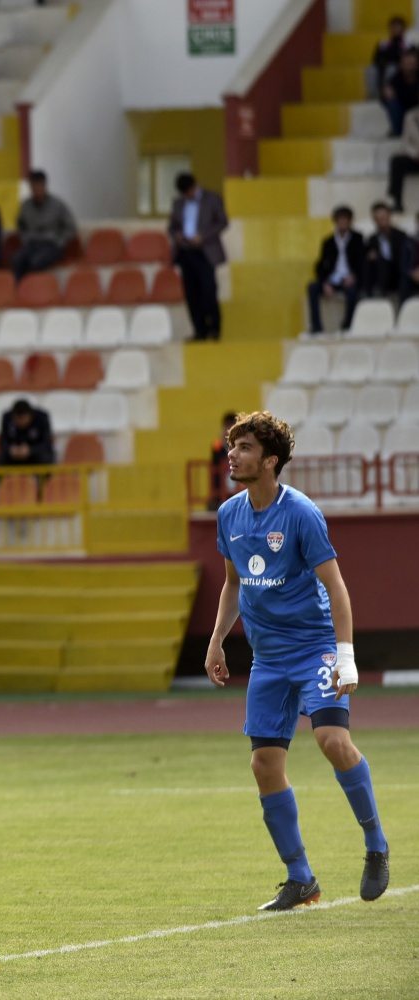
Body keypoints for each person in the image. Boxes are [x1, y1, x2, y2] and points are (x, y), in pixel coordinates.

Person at [205, 411, 390, 911]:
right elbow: (232, 580)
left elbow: (336, 586)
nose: (232, 454)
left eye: (243, 447)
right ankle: (300, 879)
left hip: (315, 651)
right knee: (264, 764)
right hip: (267, 659)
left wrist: (346, 657)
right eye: (232, 446)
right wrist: (218, 639)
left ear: (270, 460)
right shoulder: (229, 515)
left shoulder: (302, 513)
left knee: (332, 740)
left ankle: (375, 843)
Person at [168, 171, 228, 341]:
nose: (187, 195)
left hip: (205, 252)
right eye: (184, 193)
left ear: (195, 185)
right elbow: (171, 226)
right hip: (185, 252)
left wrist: (203, 235)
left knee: (209, 291)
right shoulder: (178, 203)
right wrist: (177, 235)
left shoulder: (213, 199)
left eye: (189, 191)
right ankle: (200, 331)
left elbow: (223, 222)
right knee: (191, 294)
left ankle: (214, 329)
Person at [307, 205, 364, 334]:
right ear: (335, 221)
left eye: (345, 219)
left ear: (350, 221)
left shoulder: (358, 239)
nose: (343, 222)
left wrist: (354, 276)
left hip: (349, 279)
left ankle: (348, 325)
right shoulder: (328, 242)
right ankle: (316, 327)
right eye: (340, 219)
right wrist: (324, 282)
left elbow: (362, 263)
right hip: (333, 279)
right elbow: (320, 265)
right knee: (312, 287)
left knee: (353, 290)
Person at [13, 168, 76, 279]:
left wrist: (59, 241)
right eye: (33, 185)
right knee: (17, 259)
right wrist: (25, 238)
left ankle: (37, 291)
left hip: (52, 244)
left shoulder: (57, 204)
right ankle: (19, 291)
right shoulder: (26, 206)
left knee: (37, 261)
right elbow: (20, 225)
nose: (36, 189)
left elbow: (70, 227)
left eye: (39, 185)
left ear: (44, 185)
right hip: (32, 244)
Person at [362, 200, 408, 298]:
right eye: (379, 219)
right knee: (370, 261)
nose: (382, 222)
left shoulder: (401, 236)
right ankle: (369, 295)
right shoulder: (372, 239)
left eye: (384, 218)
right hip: (380, 274)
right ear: (375, 220)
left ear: (389, 217)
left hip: (397, 273)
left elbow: (403, 259)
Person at [0, 398, 54, 466]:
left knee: (45, 458)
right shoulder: (7, 418)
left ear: (30, 415)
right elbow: (3, 442)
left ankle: (40, 476)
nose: (21, 422)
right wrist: (11, 449)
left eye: (23, 418)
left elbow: (46, 442)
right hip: (14, 455)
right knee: (1, 458)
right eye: (17, 419)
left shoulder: (42, 418)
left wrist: (31, 450)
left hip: (34, 454)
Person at [386, 103, 419, 211]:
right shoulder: (410, 116)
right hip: (416, 157)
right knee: (396, 161)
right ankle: (397, 202)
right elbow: (405, 143)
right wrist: (414, 154)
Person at [381, 48, 419, 138]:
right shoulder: (396, 79)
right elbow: (385, 96)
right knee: (391, 100)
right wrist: (386, 93)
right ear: (401, 65)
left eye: (411, 64)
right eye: (405, 64)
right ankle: (398, 130)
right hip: (403, 113)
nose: (408, 67)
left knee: (411, 116)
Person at [207, 411, 237, 510]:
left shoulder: (241, 443)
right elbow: (216, 458)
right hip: (223, 481)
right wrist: (222, 440)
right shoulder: (218, 445)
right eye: (227, 426)